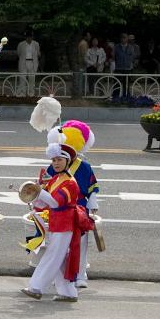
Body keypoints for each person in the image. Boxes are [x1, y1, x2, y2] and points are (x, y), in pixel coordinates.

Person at [21, 139, 86, 302]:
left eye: (59, 160)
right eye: (54, 160)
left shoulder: (70, 183)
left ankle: (36, 288)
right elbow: (44, 202)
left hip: (65, 224)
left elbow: (55, 202)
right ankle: (68, 293)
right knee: (59, 259)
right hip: (57, 223)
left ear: (67, 161)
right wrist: (33, 197)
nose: (56, 163)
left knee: (52, 257)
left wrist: (38, 191)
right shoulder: (56, 180)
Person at [45, 122, 99, 289]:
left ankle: (80, 274)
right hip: (59, 210)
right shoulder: (55, 165)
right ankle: (60, 276)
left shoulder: (85, 167)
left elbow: (92, 186)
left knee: (80, 243)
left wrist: (93, 201)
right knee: (59, 246)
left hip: (79, 209)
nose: (57, 161)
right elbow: (45, 184)